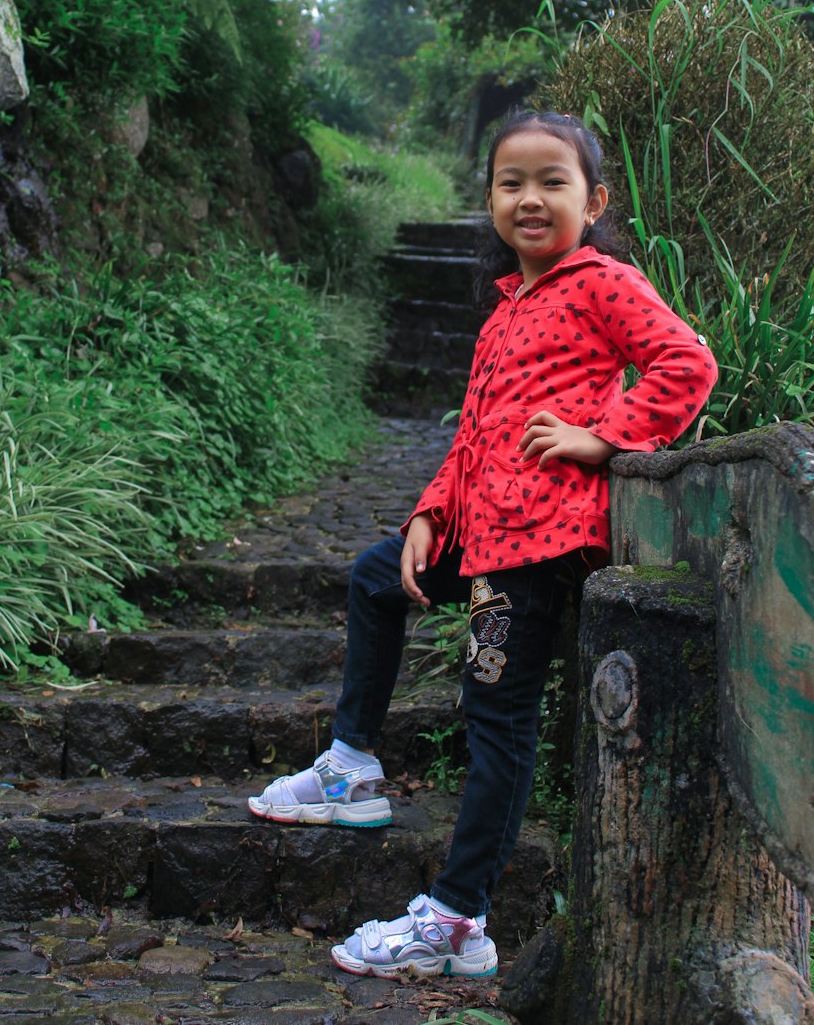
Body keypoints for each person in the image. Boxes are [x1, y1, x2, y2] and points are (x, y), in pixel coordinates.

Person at [248, 109, 719, 980]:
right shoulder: (508, 307)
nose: (530, 199)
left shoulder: (601, 282)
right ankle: (351, 767)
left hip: (539, 546)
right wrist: (431, 515)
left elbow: (687, 363)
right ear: (491, 200)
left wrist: (604, 438)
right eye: (512, 183)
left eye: (553, 182)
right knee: (375, 577)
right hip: (484, 531)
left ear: (595, 199)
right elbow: (473, 437)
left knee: (496, 717)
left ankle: (458, 921)